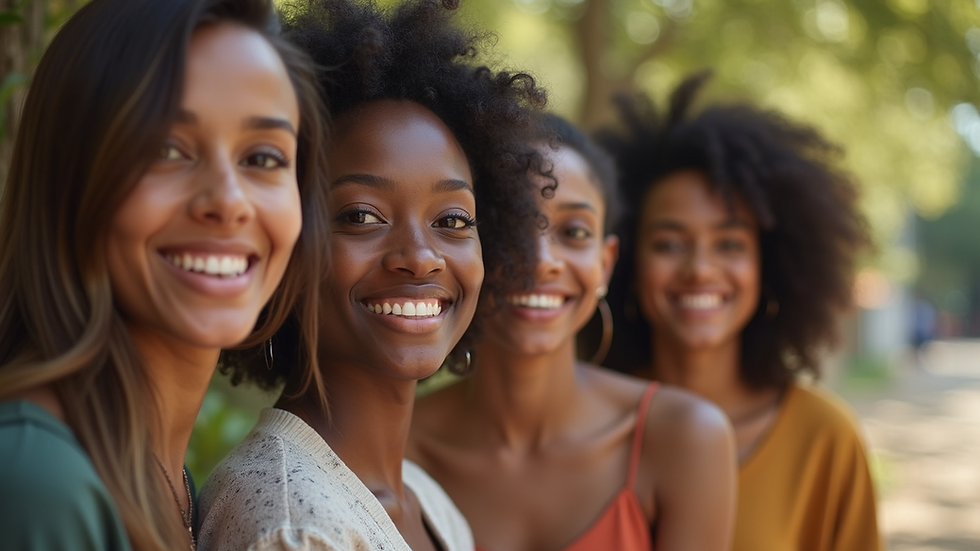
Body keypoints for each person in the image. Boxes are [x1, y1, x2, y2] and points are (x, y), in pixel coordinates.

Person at [197, 1, 547, 550]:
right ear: (285, 241)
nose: (420, 256)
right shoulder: (293, 527)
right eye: (362, 216)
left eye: (452, 220)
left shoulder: (431, 504)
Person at [0, 0, 330, 550]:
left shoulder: (168, 481)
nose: (228, 202)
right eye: (167, 149)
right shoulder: (39, 482)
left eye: (264, 158)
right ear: (68, 181)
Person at [407, 113, 737, 551]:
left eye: (574, 231)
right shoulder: (399, 449)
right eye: (512, 227)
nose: (542, 260)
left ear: (606, 262)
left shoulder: (686, 438)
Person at [597, 72, 881, 551]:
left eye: (729, 243)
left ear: (768, 265)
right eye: (669, 243)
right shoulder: (586, 427)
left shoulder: (825, 439)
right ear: (623, 261)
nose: (700, 269)